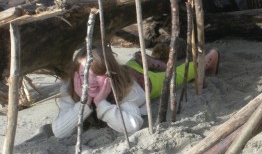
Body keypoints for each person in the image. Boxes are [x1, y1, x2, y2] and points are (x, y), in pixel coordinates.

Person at [52, 45, 220, 138]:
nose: (91, 82)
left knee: (173, 77)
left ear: (109, 74)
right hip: (124, 70)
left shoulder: (128, 88)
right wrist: (83, 103)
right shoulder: (70, 90)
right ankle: (139, 60)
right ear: (75, 77)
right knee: (130, 66)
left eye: (99, 74)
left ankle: (204, 62)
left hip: (139, 80)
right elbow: (59, 131)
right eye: (84, 75)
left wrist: (101, 103)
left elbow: (132, 126)